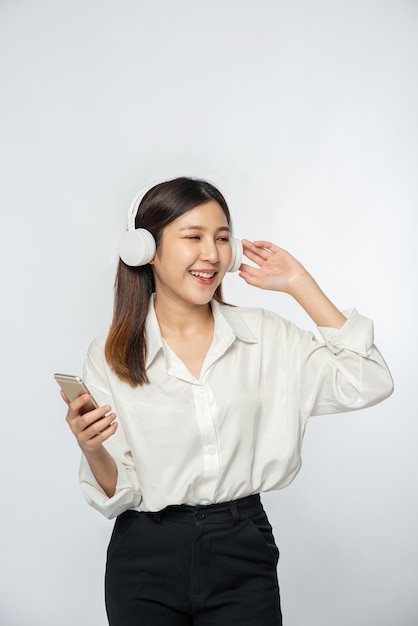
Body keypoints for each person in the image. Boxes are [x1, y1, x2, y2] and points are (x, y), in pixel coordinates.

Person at [61, 176, 393, 626]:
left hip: (242, 545)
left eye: (221, 238)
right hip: (144, 554)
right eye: (193, 237)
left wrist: (299, 282)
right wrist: (90, 446)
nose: (212, 254)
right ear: (145, 250)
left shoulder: (266, 336)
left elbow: (369, 380)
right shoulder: (111, 353)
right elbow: (120, 490)